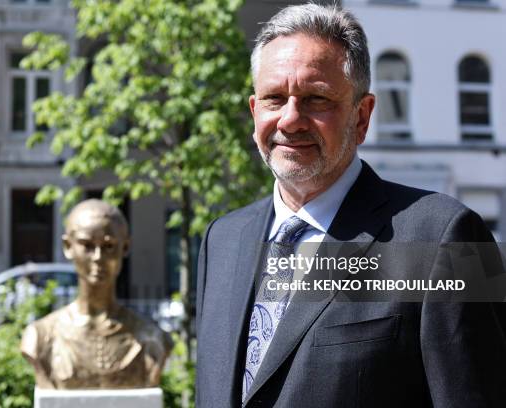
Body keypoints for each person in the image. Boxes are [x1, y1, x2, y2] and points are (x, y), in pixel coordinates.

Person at [195, 4, 506, 407]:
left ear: (362, 116)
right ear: (255, 112)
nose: (291, 120)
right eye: (275, 98)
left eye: (315, 99)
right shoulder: (222, 240)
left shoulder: (447, 236)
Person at [20, 199, 172, 389]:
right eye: (87, 245)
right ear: (68, 247)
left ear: (125, 247)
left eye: (109, 246)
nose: (98, 257)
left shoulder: (152, 338)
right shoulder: (40, 337)